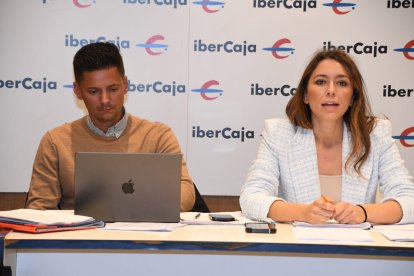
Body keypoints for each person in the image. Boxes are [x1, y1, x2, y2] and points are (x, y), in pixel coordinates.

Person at [240, 49, 414, 225]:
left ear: (353, 97)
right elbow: (251, 198)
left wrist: (362, 212)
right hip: (297, 249)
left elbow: (409, 201)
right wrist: (303, 212)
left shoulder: (375, 134)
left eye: (342, 83)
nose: (331, 90)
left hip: (357, 249)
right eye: (321, 82)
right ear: (306, 95)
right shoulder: (279, 133)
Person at [26, 42, 195, 211]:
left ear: (125, 85)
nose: (105, 99)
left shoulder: (158, 136)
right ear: (77, 91)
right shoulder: (55, 142)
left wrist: (136, 212)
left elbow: (185, 195)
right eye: (93, 91)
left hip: (142, 236)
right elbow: (39, 209)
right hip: (79, 236)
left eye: (113, 89)